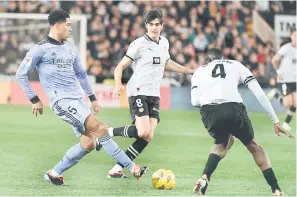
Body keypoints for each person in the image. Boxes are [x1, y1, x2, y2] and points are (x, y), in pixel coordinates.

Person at [15, 9, 148, 186]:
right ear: (57, 26)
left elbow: (80, 73)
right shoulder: (40, 49)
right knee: (101, 128)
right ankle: (132, 167)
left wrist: (92, 97)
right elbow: (20, 74)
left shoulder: (70, 46)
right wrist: (34, 99)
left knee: (88, 144)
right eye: (68, 25)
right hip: (61, 102)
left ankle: (54, 174)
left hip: (78, 100)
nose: (70, 28)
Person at [96, 7, 195, 178]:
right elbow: (120, 66)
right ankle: (107, 132)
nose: (154, 27)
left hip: (154, 94)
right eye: (151, 24)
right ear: (146, 25)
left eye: (157, 24)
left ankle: (117, 169)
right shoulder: (138, 44)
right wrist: (118, 84)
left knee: (148, 136)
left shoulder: (164, 43)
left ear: (162, 25)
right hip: (138, 91)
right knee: (142, 131)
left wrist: (189, 71)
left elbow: (167, 63)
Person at [190, 48, 294, 196]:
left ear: (208, 60)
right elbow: (258, 92)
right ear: (222, 57)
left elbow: (194, 101)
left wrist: (212, 100)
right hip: (233, 107)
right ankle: (276, 190)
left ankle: (205, 176)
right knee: (254, 146)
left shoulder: (199, 71)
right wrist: (275, 120)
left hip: (209, 111)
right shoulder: (235, 64)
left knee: (221, 144)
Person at [267, 27, 296, 131]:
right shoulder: (286, 48)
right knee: (287, 103)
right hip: (286, 79)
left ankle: (286, 123)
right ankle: (275, 94)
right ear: (291, 36)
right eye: (295, 35)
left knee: (295, 102)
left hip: (295, 79)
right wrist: (279, 72)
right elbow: (274, 60)